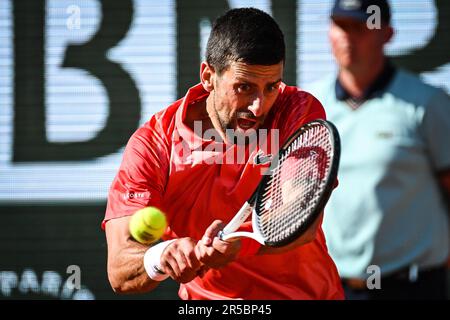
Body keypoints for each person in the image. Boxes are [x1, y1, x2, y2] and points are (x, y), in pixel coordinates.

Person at [103, 7, 344, 299]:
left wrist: (239, 244)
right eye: (244, 87)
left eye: (271, 87)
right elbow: (120, 271)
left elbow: (298, 221)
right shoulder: (153, 146)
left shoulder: (297, 111)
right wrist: (162, 255)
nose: (258, 106)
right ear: (208, 76)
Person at [307, 0, 450, 299]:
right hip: (330, 288)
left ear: (387, 34)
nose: (348, 37)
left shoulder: (429, 103)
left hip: (413, 288)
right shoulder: (310, 106)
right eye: (340, 26)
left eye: (360, 27)